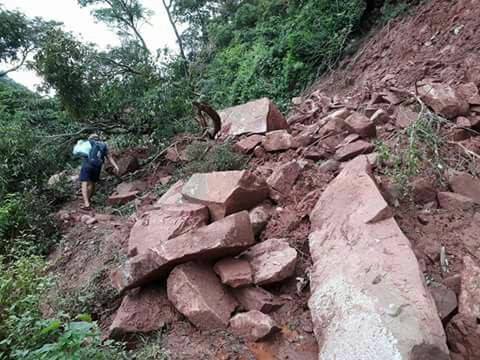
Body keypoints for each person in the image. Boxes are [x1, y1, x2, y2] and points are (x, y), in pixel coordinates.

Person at [79, 134, 119, 210]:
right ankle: (88, 200)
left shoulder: (88, 143)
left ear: (90, 138)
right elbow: (109, 157)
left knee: (84, 183)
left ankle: (86, 203)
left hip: (87, 165)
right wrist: (116, 166)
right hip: (97, 167)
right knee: (92, 183)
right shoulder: (103, 145)